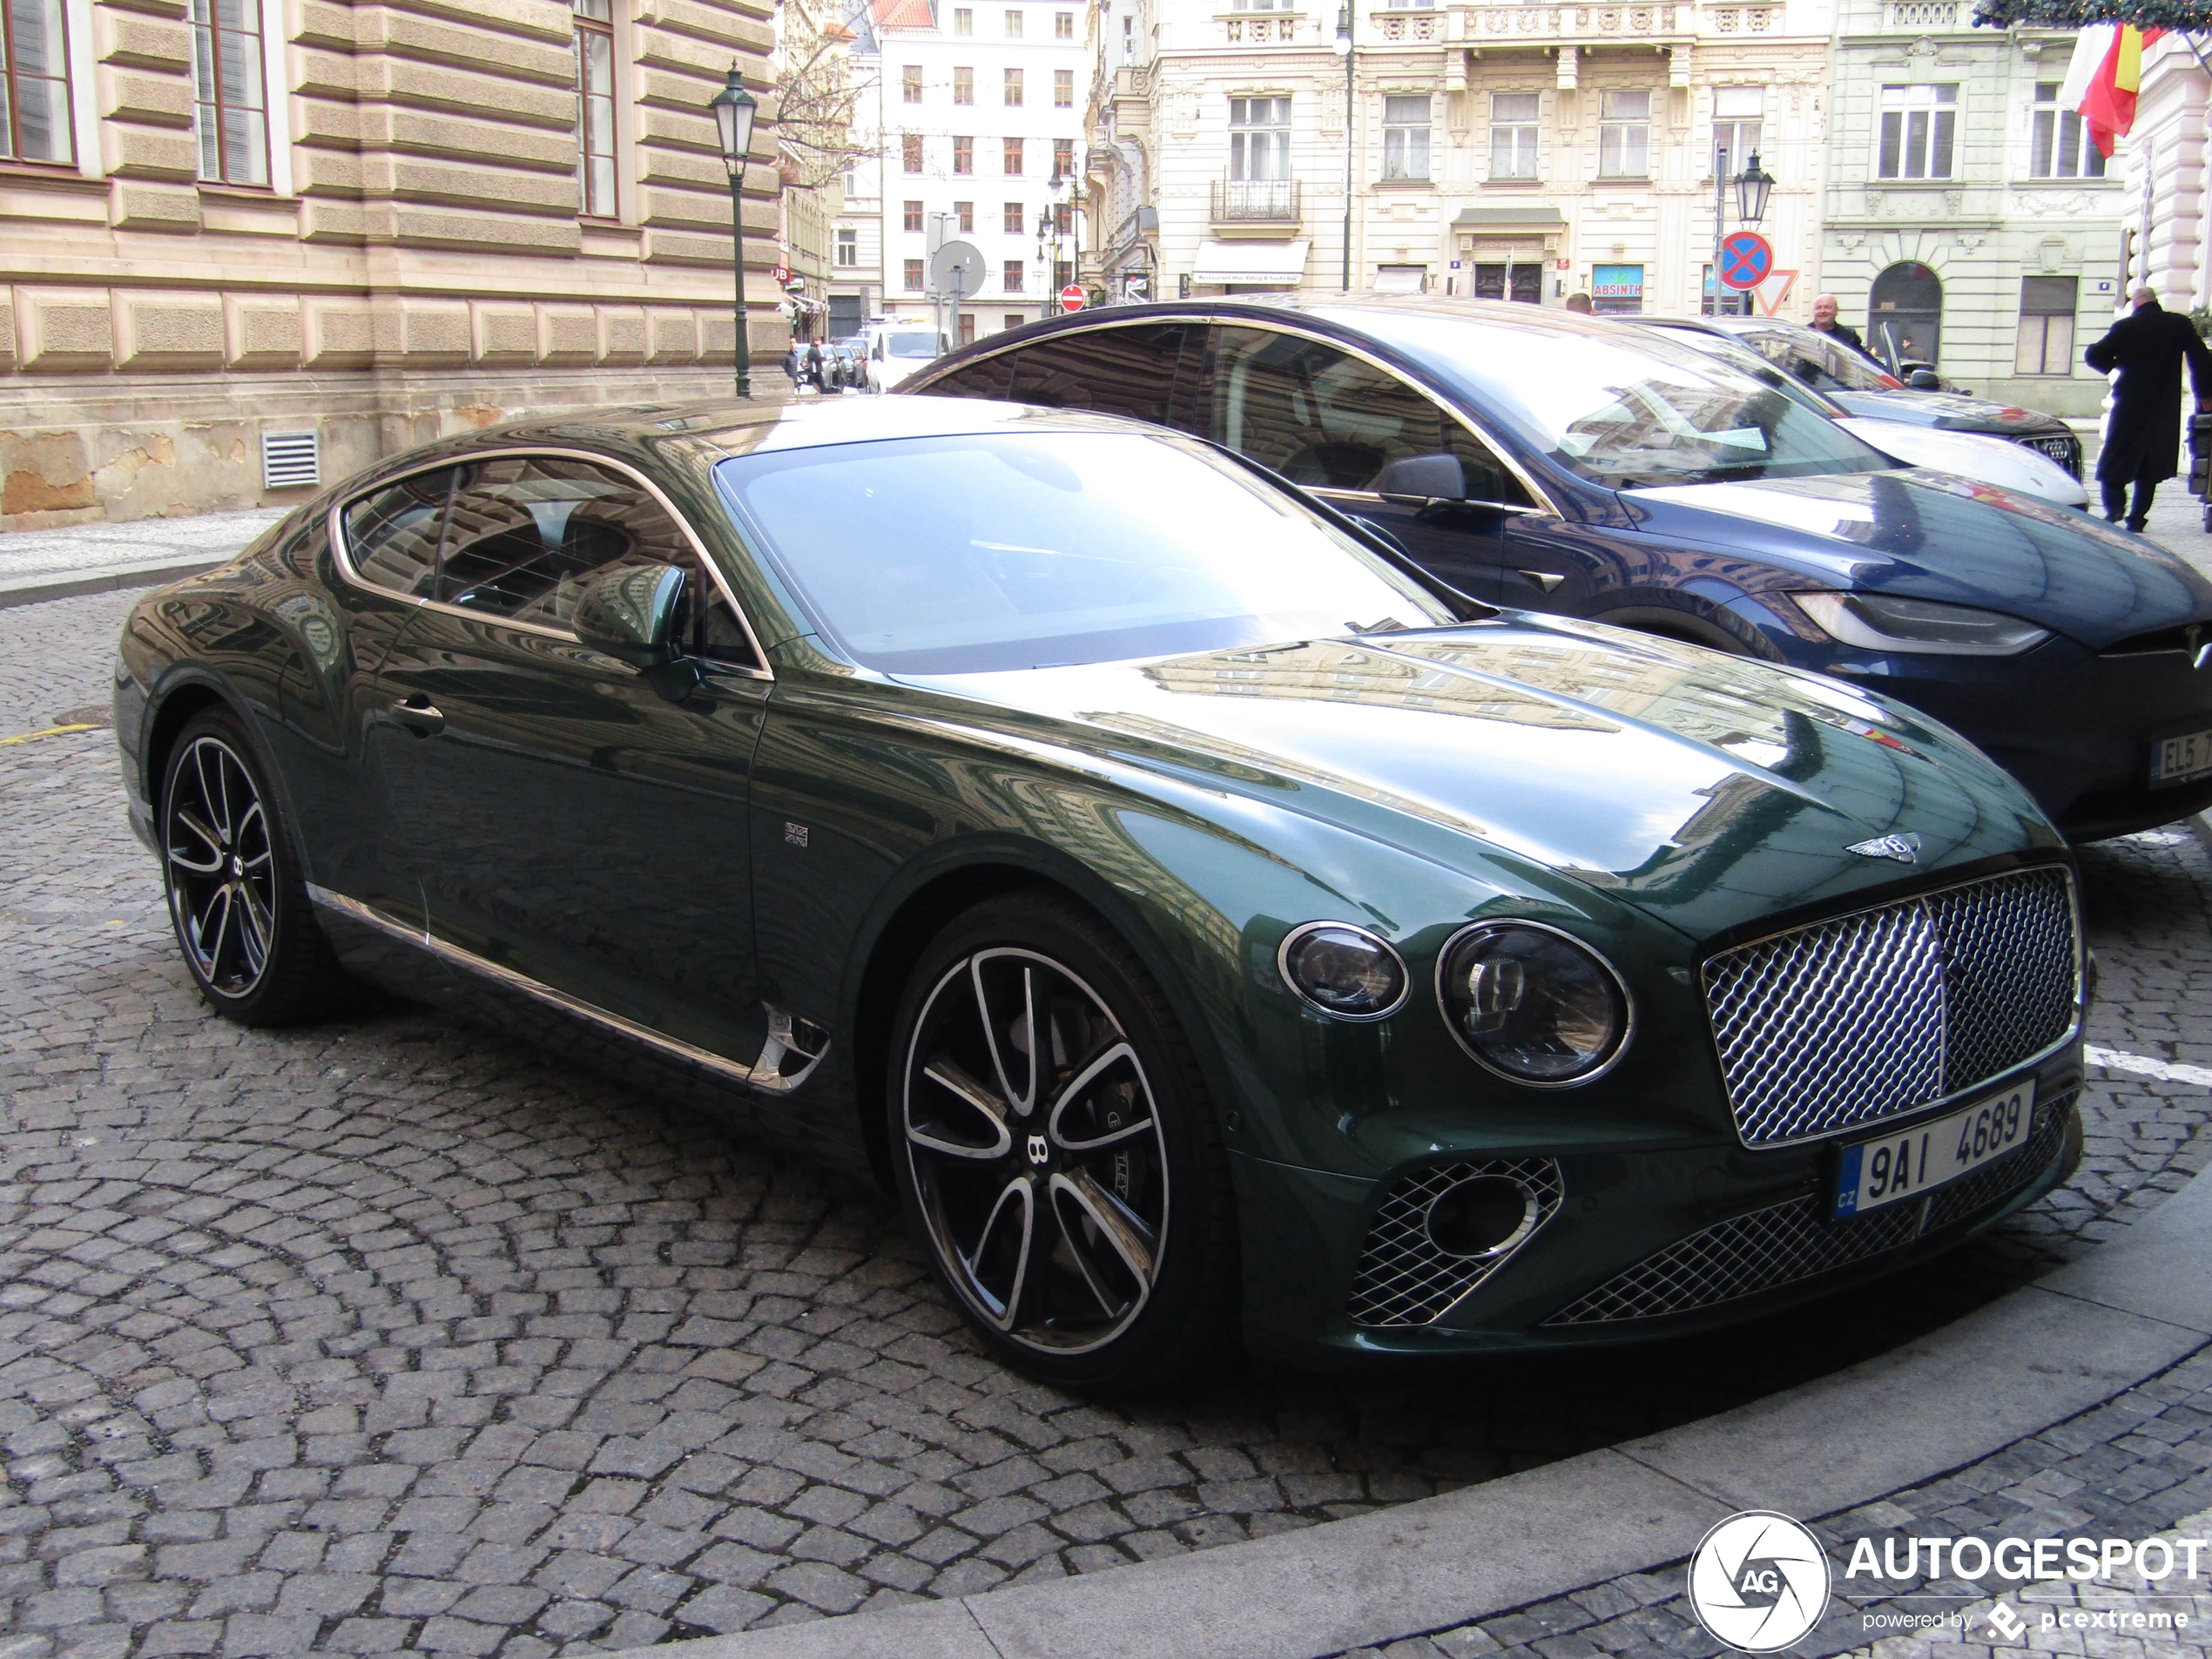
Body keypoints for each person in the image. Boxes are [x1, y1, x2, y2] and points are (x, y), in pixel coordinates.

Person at [2084, 286, 2212, 531]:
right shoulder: (2179, 325)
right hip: (2164, 404)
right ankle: (2137, 518)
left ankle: (2114, 509)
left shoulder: (2126, 327)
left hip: (2130, 402)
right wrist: (2204, 394)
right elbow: (2200, 359)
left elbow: (2095, 354)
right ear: (2155, 301)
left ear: (2136, 303)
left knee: (2115, 456)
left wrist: (2115, 364)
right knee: (2150, 464)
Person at [1810, 294, 1874, 360]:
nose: (1822, 311)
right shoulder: (1803, 334)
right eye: (1818, 308)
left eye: (1827, 307)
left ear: (1837, 311)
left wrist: (1882, 369)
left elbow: (1866, 360)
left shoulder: (1849, 336)